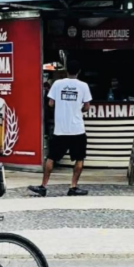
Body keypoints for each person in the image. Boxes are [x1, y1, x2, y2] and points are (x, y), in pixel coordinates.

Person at [29, 58, 92, 197]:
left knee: (51, 158)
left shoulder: (57, 84)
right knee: (79, 158)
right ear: (79, 71)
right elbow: (87, 107)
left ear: (66, 70)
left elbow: (50, 103)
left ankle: (43, 186)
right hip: (77, 129)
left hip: (60, 130)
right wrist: (77, 109)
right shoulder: (83, 86)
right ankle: (73, 187)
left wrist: (62, 106)